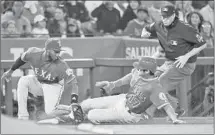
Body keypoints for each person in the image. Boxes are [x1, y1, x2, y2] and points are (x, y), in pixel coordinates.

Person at [36, 57, 185, 125]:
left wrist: (174, 118)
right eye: (138, 67)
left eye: (142, 68)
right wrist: (111, 84)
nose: (138, 70)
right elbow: (126, 79)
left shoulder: (155, 86)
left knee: (92, 115)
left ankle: (59, 120)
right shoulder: (138, 74)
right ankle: (65, 112)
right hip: (122, 99)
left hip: (128, 114)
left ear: (149, 71)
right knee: (86, 104)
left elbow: (165, 105)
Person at [141, 5, 207, 115]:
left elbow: (203, 44)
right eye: (163, 16)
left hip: (184, 64)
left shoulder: (185, 28)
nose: (165, 19)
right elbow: (147, 28)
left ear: (174, 15)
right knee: (150, 81)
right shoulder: (158, 24)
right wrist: (144, 34)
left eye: (167, 17)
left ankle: (147, 114)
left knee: (160, 83)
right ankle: (175, 109)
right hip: (169, 62)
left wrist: (186, 56)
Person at [1, 38, 83, 123]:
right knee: (23, 80)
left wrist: (74, 101)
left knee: (50, 112)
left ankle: (72, 109)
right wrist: (10, 71)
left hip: (53, 85)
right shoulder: (33, 53)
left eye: (59, 51)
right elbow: (22, 59)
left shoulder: (61, 64)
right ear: (48, 50)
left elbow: (74, 83)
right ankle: (22, 118)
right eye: (56, 51)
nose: (58, 54)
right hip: (38, 83)